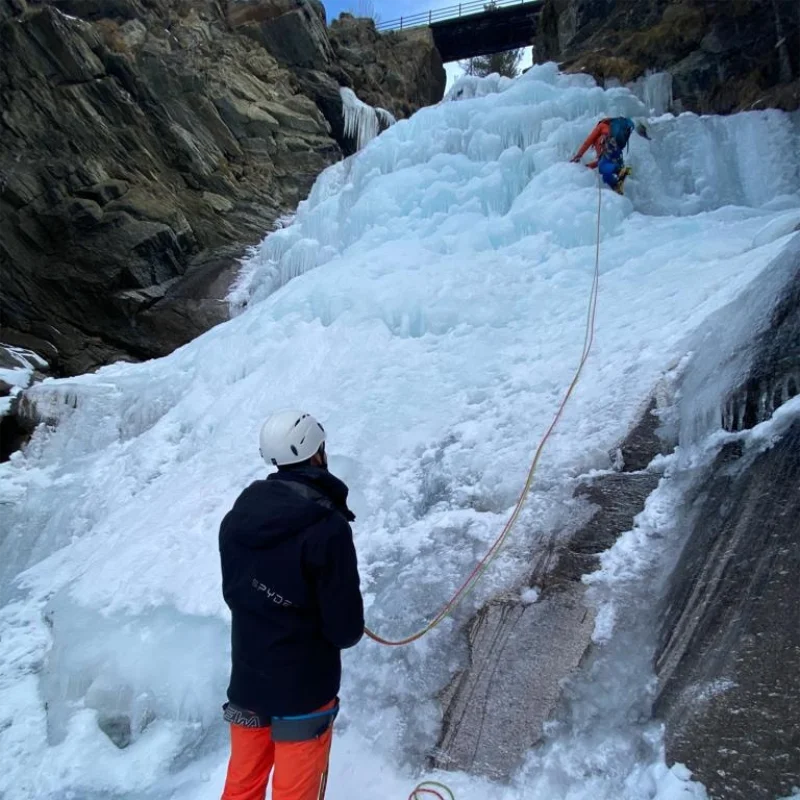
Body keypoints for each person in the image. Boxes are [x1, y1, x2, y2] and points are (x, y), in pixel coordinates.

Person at [218, 410, 364, 800]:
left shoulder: (238, 517)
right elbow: (345, 630)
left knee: (241, 787)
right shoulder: (327, 526)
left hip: (248, 681)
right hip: (304, 688)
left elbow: (237, 593)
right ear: (318, 454)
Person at [570, 117, 650, 195]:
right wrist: (587, 167)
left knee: (603, 168)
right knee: (606, 172)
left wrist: (578, 156)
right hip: (616, 151)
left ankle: (620, 174)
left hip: (610, 145)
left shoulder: (601, 126)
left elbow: (587, 142)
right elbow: (601, 162)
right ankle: (617, 186)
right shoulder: (615, 130)